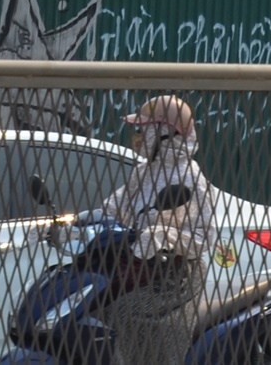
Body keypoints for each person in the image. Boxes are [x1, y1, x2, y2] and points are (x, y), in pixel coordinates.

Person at [99, 96, 217, 365]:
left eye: (144, 130)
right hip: (138, 269)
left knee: (125, 313)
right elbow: (115, 207)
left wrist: (165, 236)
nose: (138, 137)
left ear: (167, 133)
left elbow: (203, 238)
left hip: (174, 277)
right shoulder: (143, 173)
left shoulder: (191, 178)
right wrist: (80, 223)